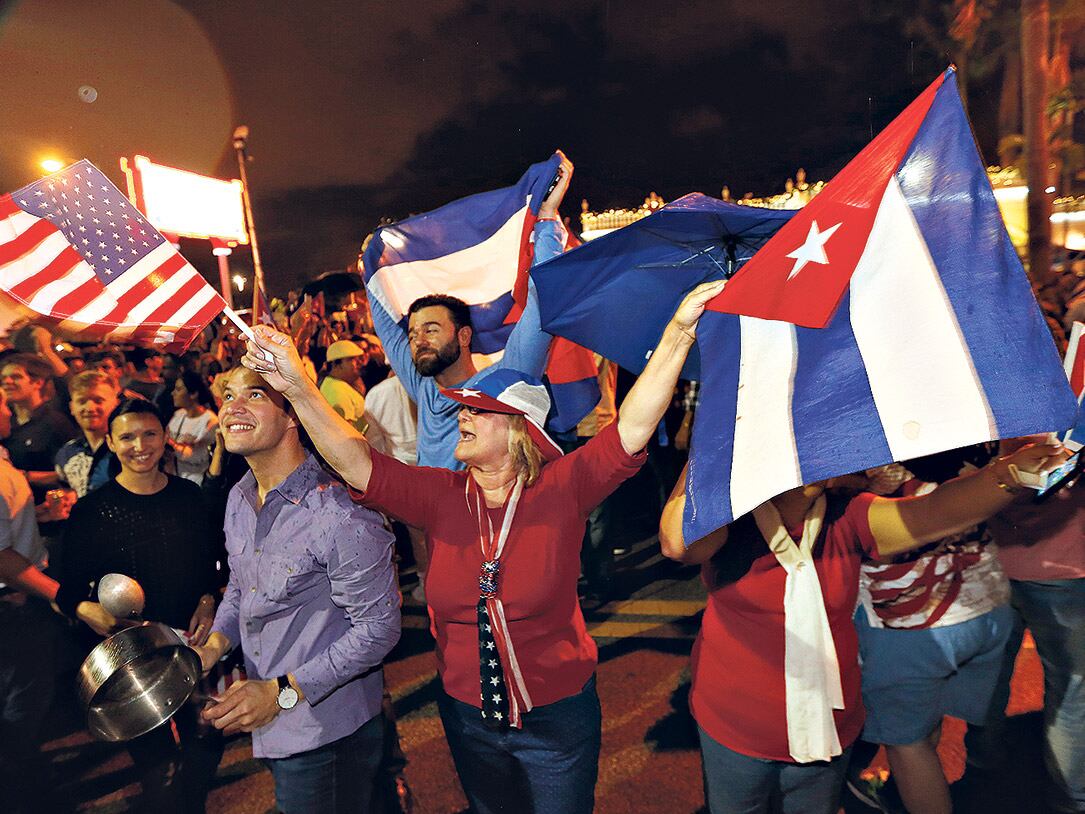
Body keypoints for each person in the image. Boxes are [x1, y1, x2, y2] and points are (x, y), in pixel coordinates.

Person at [238, 279, 727, 814]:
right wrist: (298, 386)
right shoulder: (440, 495)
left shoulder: (561, 488)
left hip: (558, 719)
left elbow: (632, 427)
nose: (462, 416)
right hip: (468, 719)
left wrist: (679, 332)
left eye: (479, 410)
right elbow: (356, 461)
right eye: (463, 409)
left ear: (522, 431)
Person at [659, 440, 1067, 814]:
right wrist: (712, 437)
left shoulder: (846, 514)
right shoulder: (727, 521)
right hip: (734, 730)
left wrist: (1008, 474)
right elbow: (677, 543)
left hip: (829, 727)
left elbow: (932, 512)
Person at [193, 365, 401, 814]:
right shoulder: (240, 497)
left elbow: (379, 630)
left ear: (293, 415)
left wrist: (281, 692)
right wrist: (214, 645)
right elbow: (242, 587)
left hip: (328, 734)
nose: (233, 407)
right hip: (276, 723)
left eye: (254, 395)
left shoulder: (338, 512)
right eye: (228, 396)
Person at [55, 399, 222, 814]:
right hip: (131, 660)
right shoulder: (93, 510)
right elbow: (66, 588)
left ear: (165, 438)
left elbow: (214, 562)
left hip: (191, 646)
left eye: (150, 434)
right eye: (127, 437)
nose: (140, 446)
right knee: (158, 766)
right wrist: (85, 609)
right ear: (111, 443)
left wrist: (208, 599)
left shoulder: (189, 497)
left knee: (206, 744)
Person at [368, 152, 574, 469]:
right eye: (412, 333)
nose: (418, 340)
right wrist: (372, 263)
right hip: (429, 506)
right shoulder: (423, 388)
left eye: (431, 329)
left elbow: (541, 305)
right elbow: (382, 315)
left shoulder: (503, 385)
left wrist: (546, 220)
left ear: (463, 335)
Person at [851, 449, 1014, 814]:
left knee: (906, 744)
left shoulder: (868, 455)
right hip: (985, 602)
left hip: (913, 626)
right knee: (924, 724)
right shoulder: (968, 436)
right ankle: (907, 791)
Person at [967, 436, 1085, 814]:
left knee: (990, 671)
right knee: (1071, 689)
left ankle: (982, 757)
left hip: (990, 557)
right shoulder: (1071, 415)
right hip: (1064, 567)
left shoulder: (995, 411)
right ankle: (1072, 797)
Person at [0, 457, 63, 814]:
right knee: (21, 710)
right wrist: (60, 595)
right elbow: (1, 557)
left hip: (17, 598)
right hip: (15, 602)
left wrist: (37, 516)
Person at [55, 370, 121, 498]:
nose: (90, 408)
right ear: (72, 408)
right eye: (82, 401)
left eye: (98, 400)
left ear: (116, 405)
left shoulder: (129, 448)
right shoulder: (66, 453)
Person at [166, 371, 219, 484]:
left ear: (193, 393)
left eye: (178, 389)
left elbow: (198, 456)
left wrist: (171, 444)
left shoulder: (210, 421)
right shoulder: (178, 415)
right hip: (175, 478)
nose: (173, 393)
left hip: (196, 481)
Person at [319, 339, 368, 431]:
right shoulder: (336, 391)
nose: (359, 363)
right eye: (352, 359)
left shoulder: (337, 385)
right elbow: (346, 431)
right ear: (336, 365)